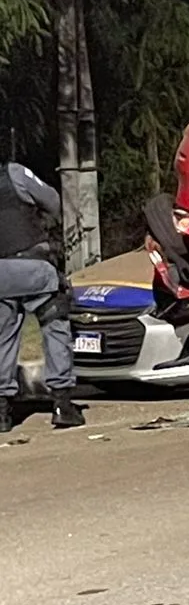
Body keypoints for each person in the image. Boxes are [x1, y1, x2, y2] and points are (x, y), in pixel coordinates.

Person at [0, 157, 84, 432]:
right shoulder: (14, 173)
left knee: (3, 337)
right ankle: (63, 403)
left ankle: (2, 410)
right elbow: (52, 200)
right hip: (32, 267)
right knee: (55, 324)